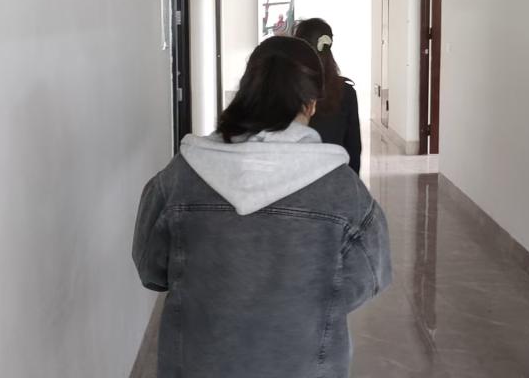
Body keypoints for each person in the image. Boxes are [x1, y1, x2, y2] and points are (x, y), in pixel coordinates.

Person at [132, 36, 391, 378]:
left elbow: (151, 271)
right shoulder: (343, 190)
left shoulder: (180, 176)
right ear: (310, 104)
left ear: (247, 92)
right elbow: (371, 277)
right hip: (306, 365)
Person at [294, 18, 362, 173]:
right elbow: (354, 148)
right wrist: (351, 182)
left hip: (296, 178)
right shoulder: (346, 92)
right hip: (335, 175)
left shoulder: (288, 88)